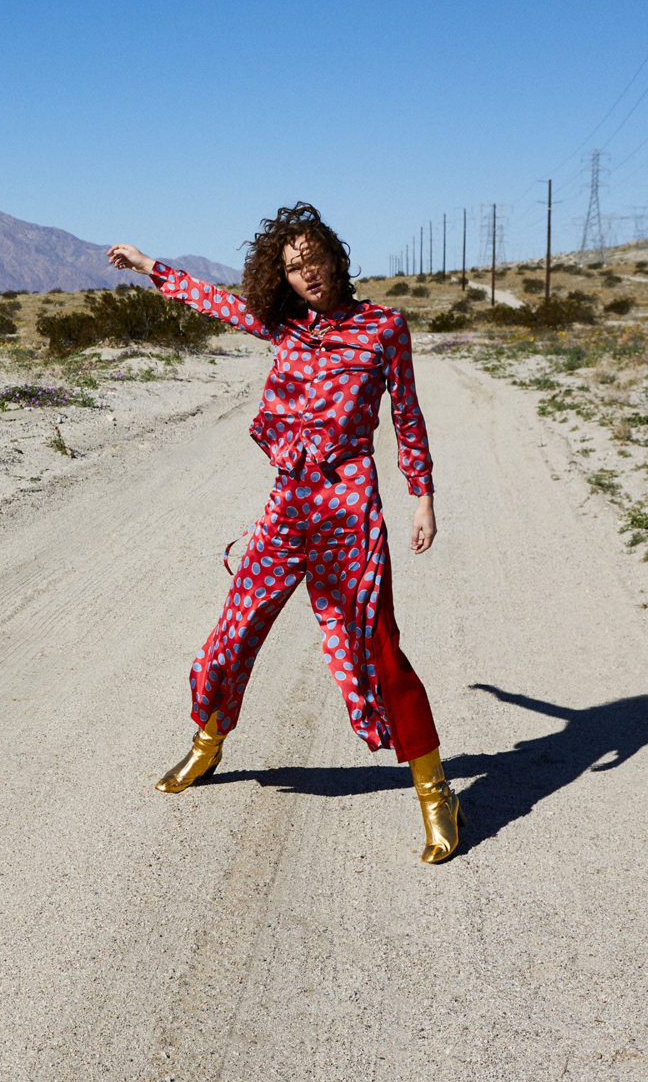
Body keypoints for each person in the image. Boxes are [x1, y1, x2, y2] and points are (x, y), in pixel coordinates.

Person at [107, 203, 462, 863]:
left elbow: (408, 415)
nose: (308, 275)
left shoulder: (385, 329)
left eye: (315, 260)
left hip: (349, 507)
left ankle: (435, 791)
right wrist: (148, 265)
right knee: (234, 632)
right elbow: (211, 301)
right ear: (285, 277)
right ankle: (206, 747)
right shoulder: (284, 326)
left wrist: (423, 497)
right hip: (288, 508)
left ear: (336, 258)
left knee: (378, 647)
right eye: (294, 268)